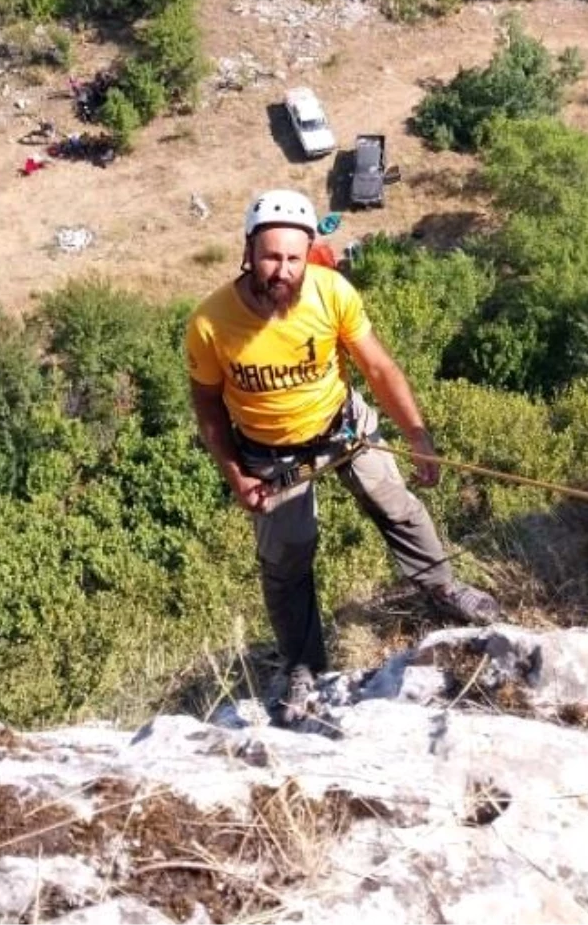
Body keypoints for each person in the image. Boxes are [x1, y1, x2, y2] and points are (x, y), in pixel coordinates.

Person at [187, 189, 499, 719]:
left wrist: (417, 434)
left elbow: (378, 367)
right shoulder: (211, 322)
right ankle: (302, 664)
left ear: (308, 253)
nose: (283, 269)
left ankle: (443, 588)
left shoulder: (331, 293)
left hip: (342, 426)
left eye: (294, 257)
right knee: (287, 556)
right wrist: (235, 474)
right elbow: (209, 406)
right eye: (271, 256)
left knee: (394, 502)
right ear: (248, 251)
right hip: (271, 453)